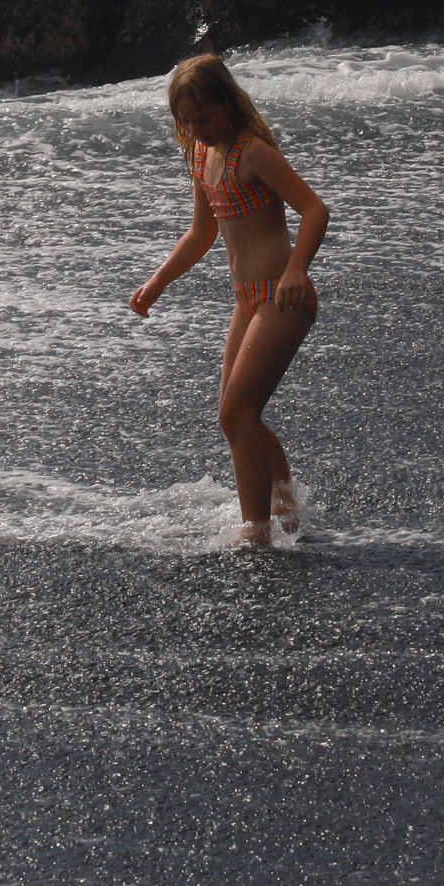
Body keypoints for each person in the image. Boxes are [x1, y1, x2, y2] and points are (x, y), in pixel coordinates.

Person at [130, 53, 331, 547]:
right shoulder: (202, 154)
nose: (196, 128)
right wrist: (157, 283)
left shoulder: (252, 151)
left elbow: (314, 209)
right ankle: (286, 503)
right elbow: (202, 233)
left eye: (204, 117)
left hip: (284, 297)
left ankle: (255, 530)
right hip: (247, 299)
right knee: (240, 412)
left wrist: (296, 269)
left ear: (228, 105)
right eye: (187, 120)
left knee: (236, 414)